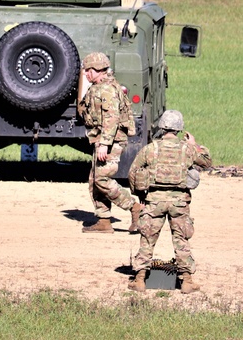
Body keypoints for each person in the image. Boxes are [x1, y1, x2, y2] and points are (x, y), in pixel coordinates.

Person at [126, 109, 212, 294]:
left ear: (162, 127)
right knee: (181, 240)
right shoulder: (187, 149)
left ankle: (140, 279)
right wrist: (195, 145)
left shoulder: (150, 149)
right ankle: (187, 281)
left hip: (154, 201)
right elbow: (206, 161)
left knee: (147, 239)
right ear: (179, 129)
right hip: (179, 203)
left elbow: (133, 172)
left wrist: (140, 195)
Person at [78, 51, 141, 234]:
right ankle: (103, 220)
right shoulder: (99, 86)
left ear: (98, 70)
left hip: (111, 141)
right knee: (94, 180)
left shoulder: (107, 90)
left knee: (102, 179)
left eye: (89, 70)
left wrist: (105, 144)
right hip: (101, 139)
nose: (86, 74)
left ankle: (134, 208)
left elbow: (111, 119)